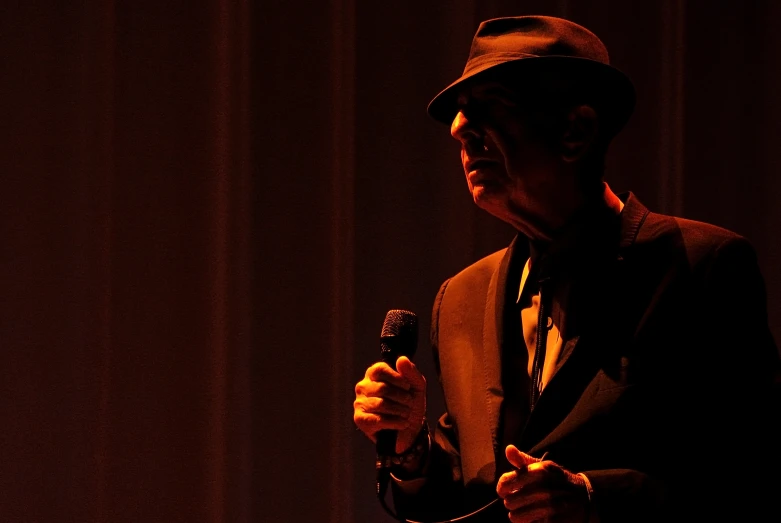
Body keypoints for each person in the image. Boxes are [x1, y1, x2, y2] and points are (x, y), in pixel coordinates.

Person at [353, 15, 781, 523]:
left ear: (576, 130)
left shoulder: (700, 268)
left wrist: (593, 500)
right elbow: (470, 491)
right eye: (460, 113)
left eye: (491, 106)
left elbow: (754, 480)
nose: (459, 129)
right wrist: (411, 450)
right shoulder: (462, 298)